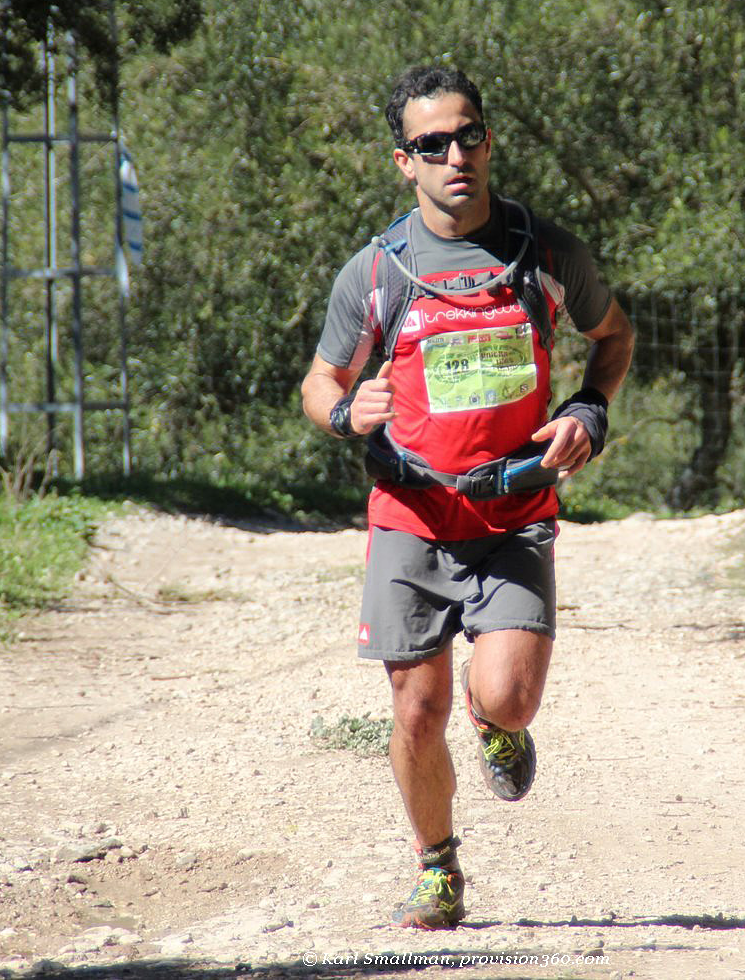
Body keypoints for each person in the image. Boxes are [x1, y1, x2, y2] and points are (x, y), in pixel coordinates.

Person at [301, 64, 634, 929]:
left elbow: (614, 335)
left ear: (489, 140)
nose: (456, 156)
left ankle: (500, 722)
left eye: (469, 135)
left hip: (514, 512)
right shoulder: (378, 270)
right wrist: (344, 411)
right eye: (433, 144)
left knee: (510, 694)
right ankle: (438, 867)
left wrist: (589, 410)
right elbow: (320, 380)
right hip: (411, 514)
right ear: (403, 161)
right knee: (417, 707)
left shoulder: (546, 253)